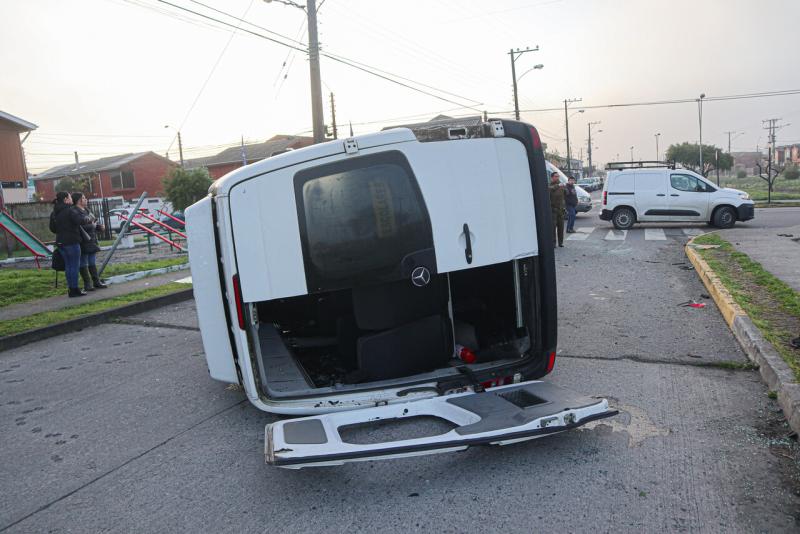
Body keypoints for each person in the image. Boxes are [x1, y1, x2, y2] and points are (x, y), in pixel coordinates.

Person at [50, 191, 92, 297]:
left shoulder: (54, 212)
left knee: (68, 266)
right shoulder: (69, 211)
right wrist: (87, 218)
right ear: (65, 199)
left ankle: (71, 289)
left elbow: (53, 229)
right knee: (74, 266)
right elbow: (79, 220)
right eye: (69, 197)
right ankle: (74, 290)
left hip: (60, 242)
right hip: (72, 242)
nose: (71, 199)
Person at [71, 192, 107, 291]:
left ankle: (96, 281)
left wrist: (99, 227)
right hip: (83, 240)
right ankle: (87, 284)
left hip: (92, 239)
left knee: (92, 261)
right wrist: (92, 226)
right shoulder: (74, 211)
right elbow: (79, 226)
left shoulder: (87, 210)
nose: (86, 199)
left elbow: (93, 222)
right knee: (83, 262)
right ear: (79, 200)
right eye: (83, 198)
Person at [548, 171, 565, 247]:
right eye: (556, 176)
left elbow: (565, 195)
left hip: (561, 210)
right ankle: (553, 243)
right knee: (552, 227)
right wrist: (558, 185)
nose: (557, 177)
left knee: (561, 227)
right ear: (552, 177)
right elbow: (549, 189)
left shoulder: (561, 185)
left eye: (558, 176)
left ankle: (560, 242)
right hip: (553, 209)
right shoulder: (550, 185)